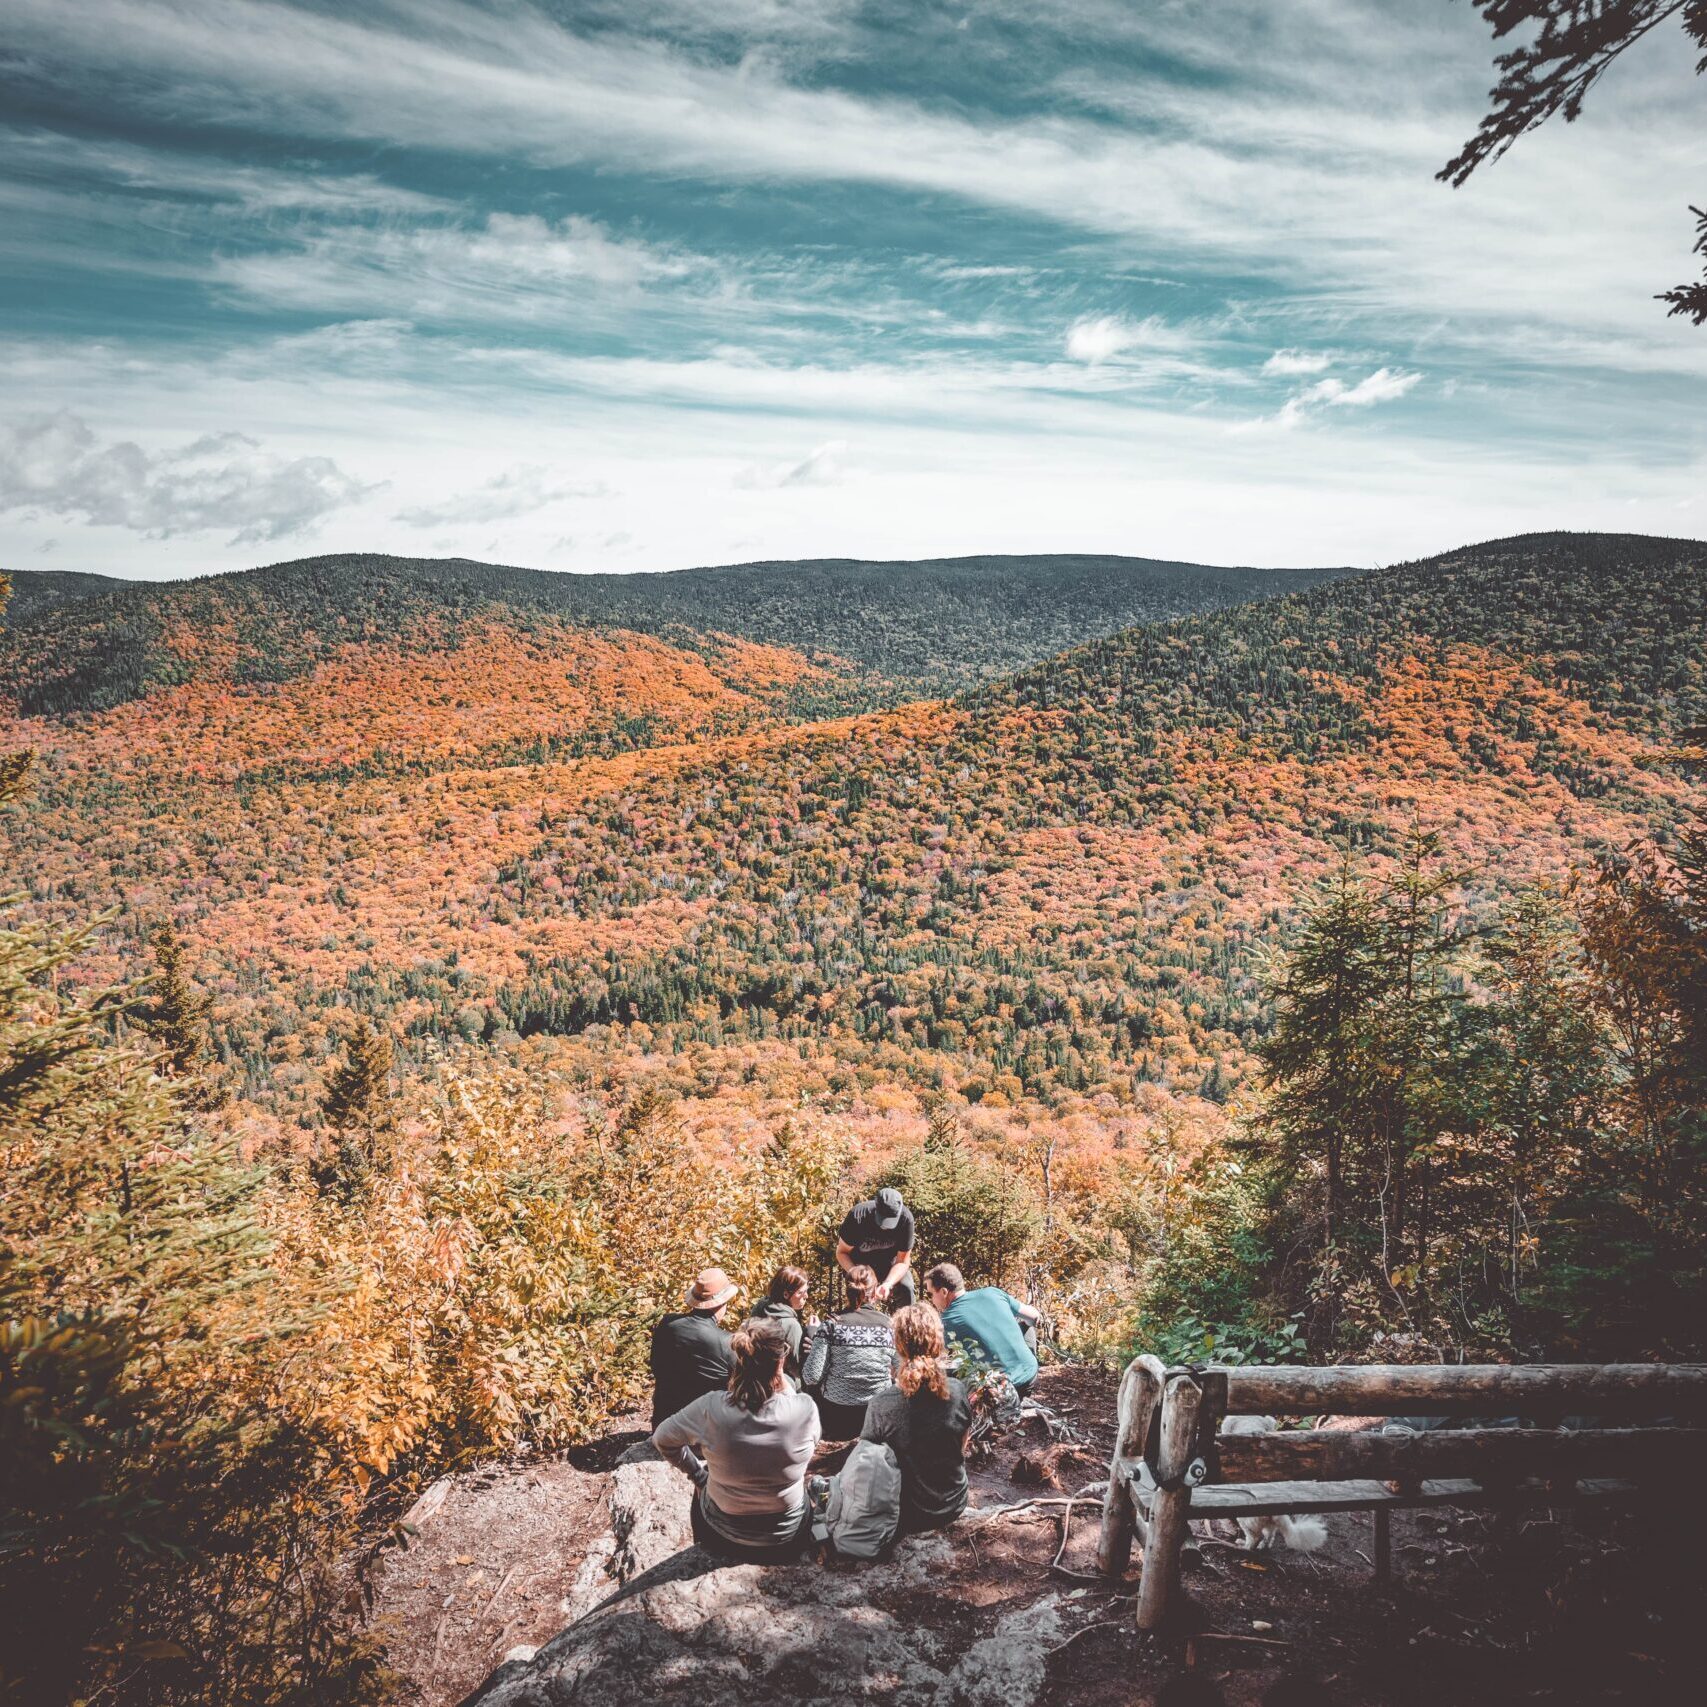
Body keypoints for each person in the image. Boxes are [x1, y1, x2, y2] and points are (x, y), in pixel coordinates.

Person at [652, 1319, 821, 1561]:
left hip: (722, 1537)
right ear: (780, 1360)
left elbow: (662, 1439)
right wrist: (782, 1382)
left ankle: (701, 1547)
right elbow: (811, 1440)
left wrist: (698, 1477)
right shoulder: (805, 1408)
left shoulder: (711, 1407)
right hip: (787, 1538)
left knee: (706, 1476)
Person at [860, 1305, 973, 1532]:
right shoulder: (958, 1391)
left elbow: (869, 1463)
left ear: (897, 1344)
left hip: (906, 1512)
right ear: (937, 1342)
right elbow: (961, 1448)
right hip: (953, 1502)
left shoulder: (881, 1404)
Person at [800, 1264, 893, 1438]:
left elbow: (811, 1376)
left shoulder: (832, 1324)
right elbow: (902, 1372)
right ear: (874, 1293)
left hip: (836, 1417)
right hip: (877, 1417)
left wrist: (815, 1338)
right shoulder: (890, 1325)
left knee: (811, 1337)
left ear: (847, 1292)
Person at [925, 1262, 1041, 1397]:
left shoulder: (945, 1321)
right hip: (1030, 1376)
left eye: (931, 1294)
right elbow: (1034, 1316)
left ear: (944, 1292)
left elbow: (937, 1359)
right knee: (1024, 1322)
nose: (931, 1300)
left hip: (1000, 1388)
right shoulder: (993, 1292)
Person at [648, 1265, 738, 1429]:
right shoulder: (727, 1342)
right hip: (704, 1434)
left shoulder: (667, 1323)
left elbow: (655, 1365)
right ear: (722, 1303)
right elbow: (739, 1390)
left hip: (664, 1425)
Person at [836, 1186, 916, 1309]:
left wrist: (888, 1284)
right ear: (876, 1208)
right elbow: (842, 1253)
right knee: (861, 1298)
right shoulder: (858, 1216)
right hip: (860, 1267)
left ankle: (907, 1325)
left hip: (890, 1265)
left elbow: (902, 1261)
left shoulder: (906, 1220)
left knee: (907, 1288)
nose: (885, 1227)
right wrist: (859, 1276)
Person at [749, 1266, 811, 1379]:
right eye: (801, 1293)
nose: (806, 1296)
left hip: (755, 1379)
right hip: (783, 1384)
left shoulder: (759, 1309)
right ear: (786, 1294)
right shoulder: (791, 1325)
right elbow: (798, 1367)